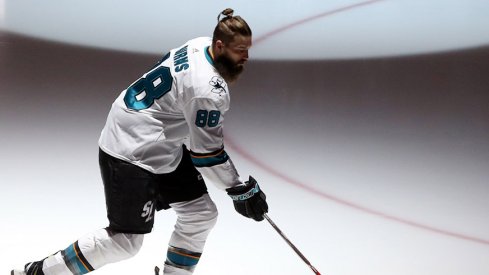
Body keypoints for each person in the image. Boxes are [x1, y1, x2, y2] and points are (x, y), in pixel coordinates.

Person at [12, 8, 268, 275]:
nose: (246, 57)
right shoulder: (208, 90)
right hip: (131, 150)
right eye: (240, 50)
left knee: (200, 213)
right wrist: (240, 189)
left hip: (154, 140)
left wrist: (237, 188)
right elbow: (206, 153)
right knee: (125, 241)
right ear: (220, 45)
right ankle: (38, 273)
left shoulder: (200, 43)